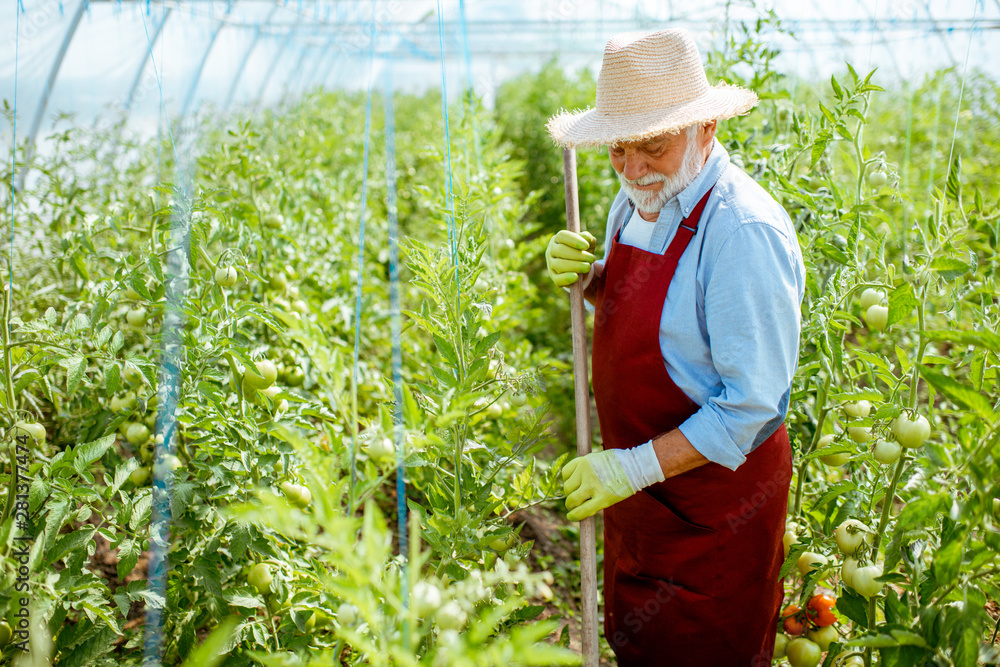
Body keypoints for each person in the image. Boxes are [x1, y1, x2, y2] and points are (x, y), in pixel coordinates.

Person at [543, 28, 805, 666]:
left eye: (653, 147)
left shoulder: (741, 231)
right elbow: (654, 321)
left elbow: (750, 406)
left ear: (706, 127)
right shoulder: (634, 204)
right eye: (618, 151)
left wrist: (629, 468)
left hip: (714, 518)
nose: (633, 170)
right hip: (644, 510)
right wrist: (592, 282)